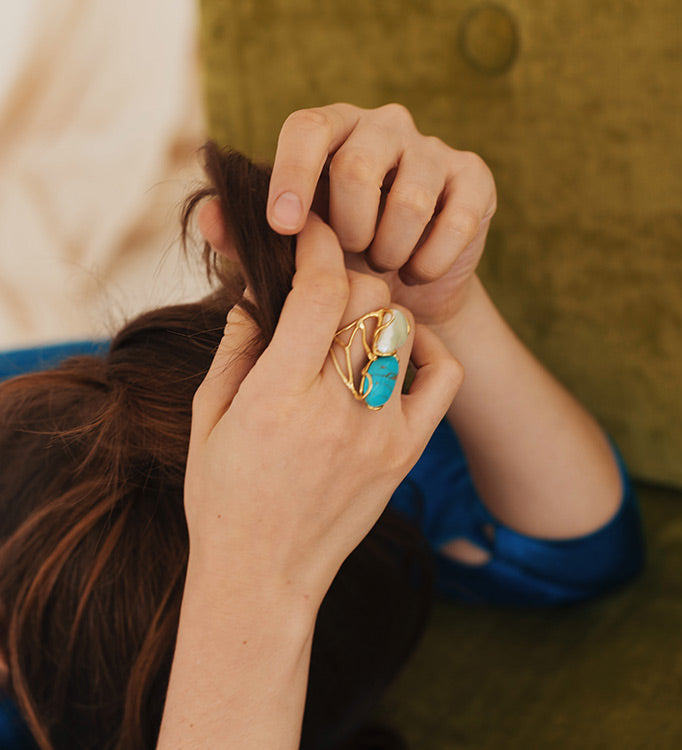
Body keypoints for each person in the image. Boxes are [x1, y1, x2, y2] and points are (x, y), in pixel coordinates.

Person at [0, 103, 643, 749]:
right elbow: (573, 558)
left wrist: (432, 304)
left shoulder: (101, 425)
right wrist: (259, 575)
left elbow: (577, 553)